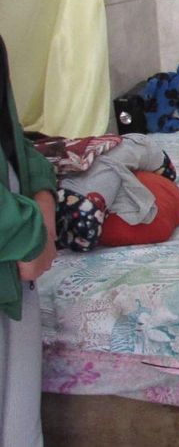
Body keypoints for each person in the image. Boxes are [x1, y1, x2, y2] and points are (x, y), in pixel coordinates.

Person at [1, 34, 58, 446]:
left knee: (17, 424)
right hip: (15, 252)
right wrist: (31, 232)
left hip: (16, 272)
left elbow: (11, 137)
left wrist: (42, 198)